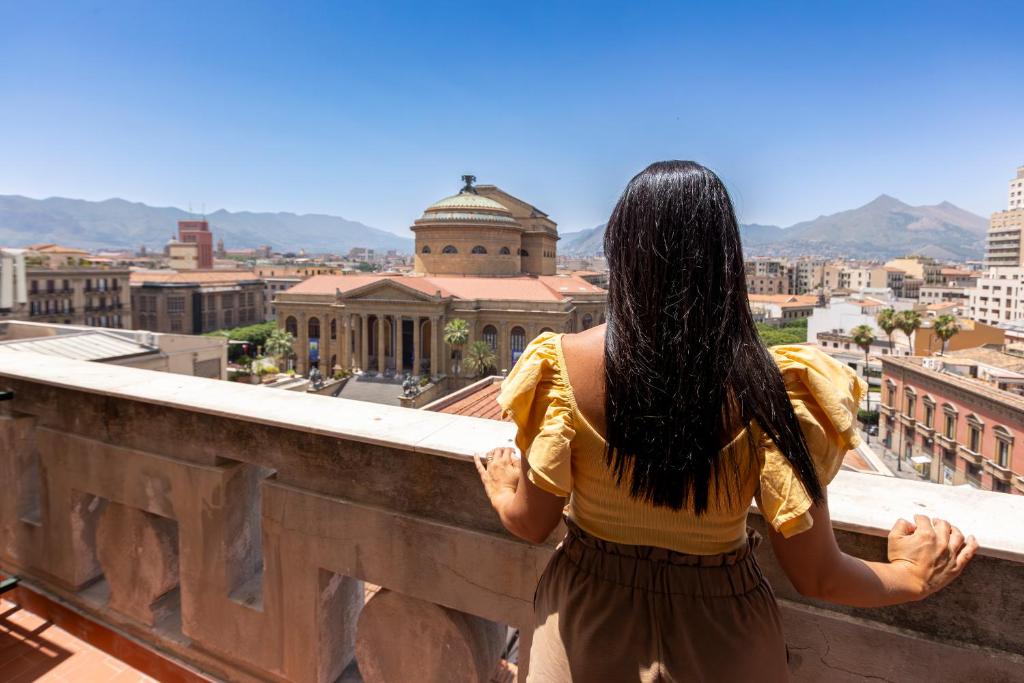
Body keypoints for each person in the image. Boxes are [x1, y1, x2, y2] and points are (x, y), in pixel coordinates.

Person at [474, 161, 977, 682]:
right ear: (725, 259)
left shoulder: (560, 368)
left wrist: (505, 488)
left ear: (618, 252)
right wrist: (912, 575)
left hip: (583, 624)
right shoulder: (777, 388)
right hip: (723, 636)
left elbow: (531, 524)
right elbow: (819, 576)